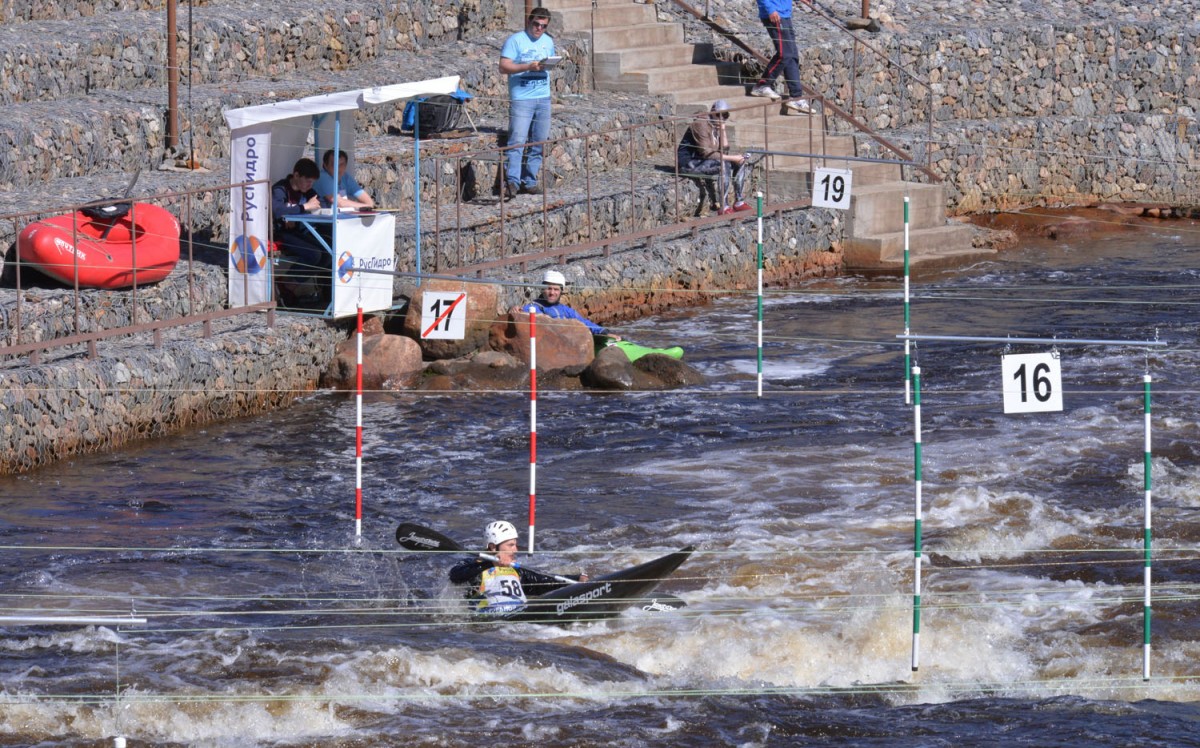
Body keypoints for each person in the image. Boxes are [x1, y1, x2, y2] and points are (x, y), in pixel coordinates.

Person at [448, 520, 585, 613]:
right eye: (510, 545)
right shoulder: (474, 566)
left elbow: (544, 582)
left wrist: (577, 580)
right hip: (490, 622)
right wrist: (491, 562)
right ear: (493, 547)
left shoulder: (515, 570)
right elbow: (455, 575)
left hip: (518, 616)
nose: (516, 549)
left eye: (515, 545)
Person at [499, 7, 557, 201]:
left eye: (543, 26)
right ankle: (512, 182)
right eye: (536, 24)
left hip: (543, 97)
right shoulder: (515, 41)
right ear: (529, 22)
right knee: (517, 141)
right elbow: (503, 66)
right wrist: (527, 66)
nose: (539, 29)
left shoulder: (548, 42)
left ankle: (529, 181)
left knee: (539, 142)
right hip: (522, 98)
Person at [677, 100, 754, 214]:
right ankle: (724, 206)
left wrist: (722, 130)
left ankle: (739, 201)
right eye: (718, 114)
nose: (721, 118)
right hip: (689, 163)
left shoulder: (716, 124)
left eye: (725, 115)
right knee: (724, 163)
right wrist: (733, 158)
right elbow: (706, 153)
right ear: (712, 112)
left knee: (740, 161)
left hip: (704, 160)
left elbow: (724, 150)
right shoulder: (700, 124)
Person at [270, 157, 328, 306]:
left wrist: (295, 212)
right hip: (279, 234)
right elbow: (277, 210)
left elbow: (319, 202)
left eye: (312, 182)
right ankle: (286, 285)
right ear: (296, 175)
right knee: (314, 254)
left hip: (296, 232)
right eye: (307, 181)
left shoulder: (307, 191)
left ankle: (288, 286)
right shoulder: (280, 189)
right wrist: (303, 208)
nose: (310, 185)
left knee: (328, 252)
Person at [511, 269, 621, 340]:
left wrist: (604, 332)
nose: (552, 293)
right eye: (549, 288)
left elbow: (584, 322)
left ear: (561, 292)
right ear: (542, 289)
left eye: (556, 289)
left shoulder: (565, 310)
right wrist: (515, 310)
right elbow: (522, 315)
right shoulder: (533, 307)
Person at [749, 0, 814, 114]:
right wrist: (770, 10)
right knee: (785, 54)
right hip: (775, 14)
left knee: (792, 55)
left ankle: (796, 97)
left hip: (784, 15)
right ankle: (762, 85)